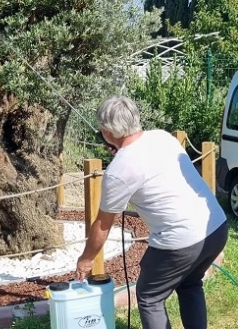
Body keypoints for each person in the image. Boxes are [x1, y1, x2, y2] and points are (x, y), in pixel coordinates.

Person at [75, 95, 227, 329]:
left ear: (106, 131)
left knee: (149, 297)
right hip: (215, 226)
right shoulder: (162, 137)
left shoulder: (118, 170)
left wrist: (86, 260)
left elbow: (103, 225)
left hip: (181, 241)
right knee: (189, 284)